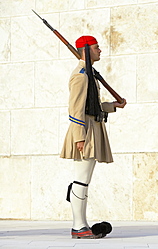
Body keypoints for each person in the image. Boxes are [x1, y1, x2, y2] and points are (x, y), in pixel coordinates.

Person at [60, 35, 126, 239]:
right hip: (85, 131)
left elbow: (92, 105)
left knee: (84, 180)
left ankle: (81, 224)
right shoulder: (80, 75)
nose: (100, 51)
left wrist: (112, 106)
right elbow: (76, 109)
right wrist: (80, 137)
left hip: (91, 128)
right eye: (97, 48)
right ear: (87, 50)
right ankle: (78, 226)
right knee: (81, 180)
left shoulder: (88, 74)